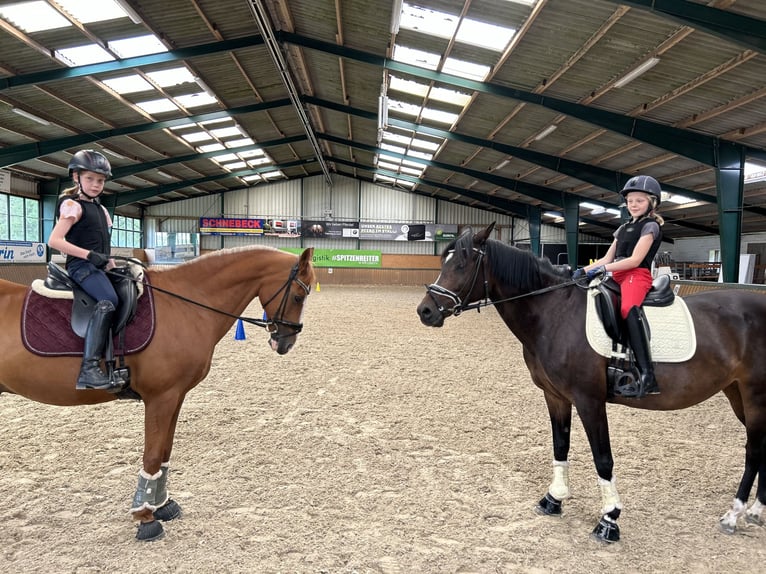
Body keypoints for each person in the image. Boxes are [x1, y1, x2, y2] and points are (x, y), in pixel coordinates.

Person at [572, 175, 665, 398]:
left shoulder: (650, 226)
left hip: (637, 274)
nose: (633, 205)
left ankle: (647, 374)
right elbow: (606, 258)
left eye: (639, 201)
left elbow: (634, 260)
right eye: (631, 201)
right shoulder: (622, 228)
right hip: (617, 273)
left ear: (651, 203)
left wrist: (604, 270)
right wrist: (582, 271)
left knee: (627, 308)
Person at [48, 150, 123, 392]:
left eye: (100, 181)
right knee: (108, 299)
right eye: (90, 179)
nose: (95, 185)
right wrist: (88, 255)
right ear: (76, 178)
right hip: (81, 267)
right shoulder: (72, 205)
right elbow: (55, 241)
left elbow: (103, 246)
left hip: (98, 265)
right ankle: (89, 369)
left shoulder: (101, 210)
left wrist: (113, 266)